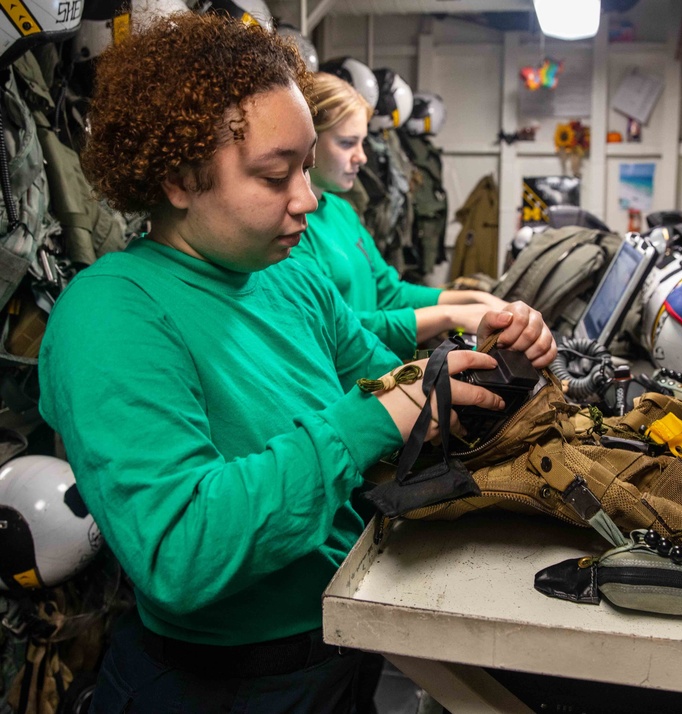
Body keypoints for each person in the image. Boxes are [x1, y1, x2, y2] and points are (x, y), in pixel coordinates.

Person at [37, 13, 555, 713]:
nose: (308, 200)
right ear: (180, 178)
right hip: (221, 685)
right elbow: (180, 551)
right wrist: (368, 421)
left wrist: (484, 361)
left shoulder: (287, 276)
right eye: (276, 175)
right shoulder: (111, 317)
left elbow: (389, 381)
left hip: (341, 646)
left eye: (306, 168)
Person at [296, 72, 508, 360]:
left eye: (362, 142)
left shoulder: (341, 211)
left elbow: (388, 292)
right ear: (308, 140)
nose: (362, 156)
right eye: (347, 143)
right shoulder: (293, 226)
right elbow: (336, 327)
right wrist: (449, 316)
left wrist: (473, 298)